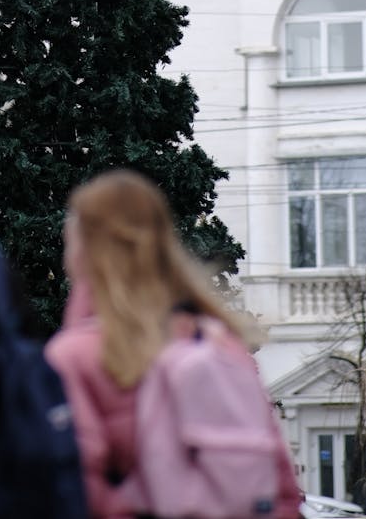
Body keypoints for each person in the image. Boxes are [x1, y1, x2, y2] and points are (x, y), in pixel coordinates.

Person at [46, 170, 301, 519]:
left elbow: (78, 489)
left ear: (85, 253)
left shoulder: (75, 355)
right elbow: (280, 485)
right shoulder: (218, 340)